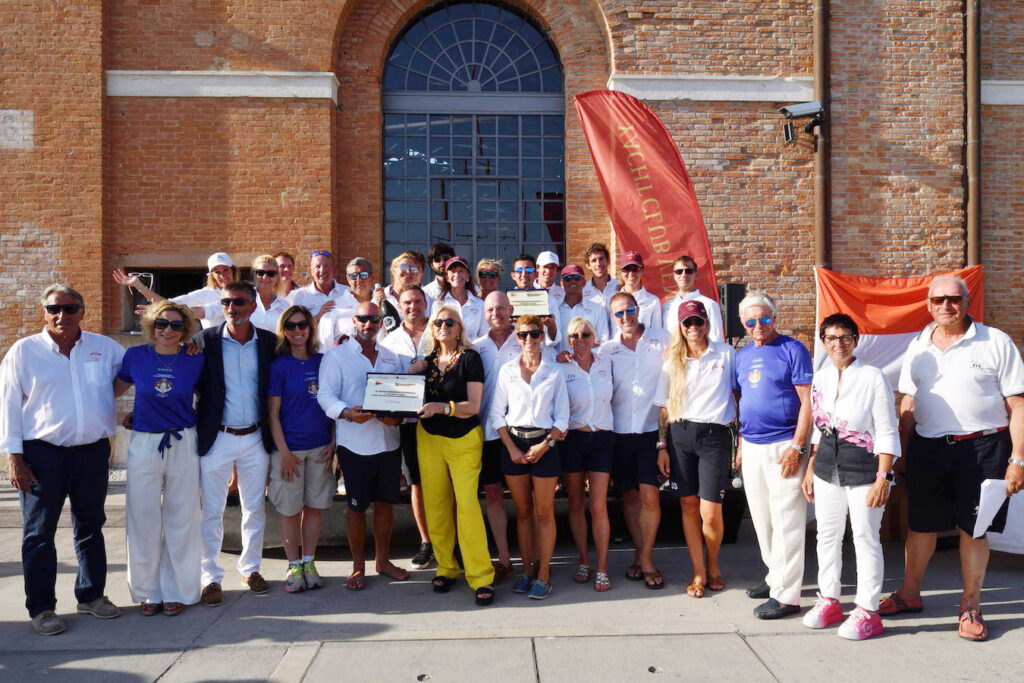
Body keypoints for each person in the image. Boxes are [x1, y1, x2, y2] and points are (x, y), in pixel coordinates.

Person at [885, 275, 1024, 641]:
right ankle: (909, 594)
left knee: (973, 529)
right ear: (928, 304)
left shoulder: (995, 341)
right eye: (938, 300)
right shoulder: (918, 345)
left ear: (967, 301)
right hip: (929, 447)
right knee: (921, 526)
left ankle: (970, 607)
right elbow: (909, 402)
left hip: (983, 448)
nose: (946, 306)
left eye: (954, 298)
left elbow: (1018, 404)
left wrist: (1018, 459)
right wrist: (901, 451)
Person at [2, 285, 125, 635]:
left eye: (70, 309)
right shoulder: (24, 352)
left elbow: (136, 372)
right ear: (44, 312)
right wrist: (15, 459)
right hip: (42, 456)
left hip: (92, 452)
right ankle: (41, 608)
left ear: (82, 312)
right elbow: (9, 406)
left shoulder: (104, 348)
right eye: (54, 309)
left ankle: (91, 596)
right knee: (39, 534)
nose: (62, 316)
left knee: (90, 526)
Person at [800, 313, 899, 640]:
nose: (838, 344)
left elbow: (887, 430)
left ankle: (868, 610)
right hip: (828, 465)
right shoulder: (821, 377)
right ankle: (829, 599)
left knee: (865, 537)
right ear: (824, 343)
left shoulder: (873, 376)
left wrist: (883, 476)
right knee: (826, 535)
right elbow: (819, 425)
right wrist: (812, 465)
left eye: (845, 337)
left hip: (864, 468)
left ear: (855, 340)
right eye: (831, 338)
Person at [114, 300, 204, 617]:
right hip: (145, 442)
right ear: (151, 326)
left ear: (186, 330)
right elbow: (110, 390)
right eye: (162, 324)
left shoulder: (195, 358)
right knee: (143, 518)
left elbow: (209, 399)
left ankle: (177, 589)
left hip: (183, 440)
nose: (168, 330)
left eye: (176, 325)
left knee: (183, 517)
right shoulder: (135, 356)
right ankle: (148, 591)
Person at [194, 281, 277, 606]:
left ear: (253, 306)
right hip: (217, 438)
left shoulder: (269, 343)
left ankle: (250, 568)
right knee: (211, 512)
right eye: (227, 301)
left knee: (254, 509)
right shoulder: (204, 341)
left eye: (239, 302)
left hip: (256, 437)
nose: (232, 307)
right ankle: (210, 577)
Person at [317, 301, 409, 590]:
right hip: (354, 444)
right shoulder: (336, 356)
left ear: (381, 322)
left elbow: (404, 394)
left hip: (388, 442)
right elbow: (325, 395)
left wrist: (398, 418)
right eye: (363, 319)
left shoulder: (393, 356)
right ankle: (358, 567)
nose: (368, 324)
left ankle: (382, 561)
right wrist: (346, 413)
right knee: (356, 508)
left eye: (374, 319)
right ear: (354, 322)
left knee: (385, 505)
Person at [409, 305, 496, 606]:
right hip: (429, 438)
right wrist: (404, 384)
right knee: (436, 505)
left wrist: (443, 407)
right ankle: (447, 566)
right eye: (438, 322)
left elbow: (473, 405)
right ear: (432, 329)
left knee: (467, 506)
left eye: (450, 322)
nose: (444, 326)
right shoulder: (426, 363)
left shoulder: (471, 358)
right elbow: (407, 398)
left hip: (463, 439)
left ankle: (481, 575)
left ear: (460, 328)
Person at [734, 291, 813, 620]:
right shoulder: (741, 356)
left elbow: (808, 401)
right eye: (751, 321)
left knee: (788, 522)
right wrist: (740, 443)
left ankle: (788, 596)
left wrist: (797, 446)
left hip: (785, 445)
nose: (758, 326)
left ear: (774, 318)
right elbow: (741, 401)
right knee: (762, 519)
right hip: (752, 445)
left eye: (764, 319)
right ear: (743, 323)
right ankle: (775, 577)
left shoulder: (793, 349)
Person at [653, 300, 735, 599]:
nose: (693, 328)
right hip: (680, 434)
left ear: (707, 323)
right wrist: (662, 446)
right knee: (688, 506)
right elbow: (663, 408)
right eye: (687, 323)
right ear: (680, 327)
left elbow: (740, 393)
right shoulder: (671, 360)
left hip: (715, 436)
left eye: (698, 321)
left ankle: (713, 565)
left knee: (710, 511)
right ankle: (698, 571)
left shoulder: (726, 353)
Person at [490, 314, 569, 600]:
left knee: (544, 513)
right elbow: (497, 413)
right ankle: (526, 570)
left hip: (544, 443)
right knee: (523, 512)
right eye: (523, 335)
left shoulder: (555, 371)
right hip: (514, 443)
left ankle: (544, 573)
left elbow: (562, 416)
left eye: (534, 334)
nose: (529, 340)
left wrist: (545, 444)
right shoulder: (507, 370)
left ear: (541, 336)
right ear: (517, 337)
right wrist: (511, 448)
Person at [603, 292, 672, 589]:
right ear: (612, 317)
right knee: (630, 496)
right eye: (619, 313)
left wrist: (663, 441)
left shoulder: (663, 340)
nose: (625, 317)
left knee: (650, 496)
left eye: (629, 310)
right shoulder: (606, 350)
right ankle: (639, 554)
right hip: (618, 433)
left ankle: (646, 559)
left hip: (649, 432)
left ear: (638, 309)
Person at [267, 306, 335, 593]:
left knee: (315, 507)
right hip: (290, 451)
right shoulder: (278, 365)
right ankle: (293, 566)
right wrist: (283, 452)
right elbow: (273, 415)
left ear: (311, 328)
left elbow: (332, 404)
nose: (298, 331)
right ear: (284, 330)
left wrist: (333, 443)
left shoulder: (324, 362)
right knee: (290, 510)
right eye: (291, 326)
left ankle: (309, 561)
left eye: (303, 325)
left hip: (320, 447)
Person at [380, 285, 435, 570]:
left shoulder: (440, 329)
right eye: (407, 302)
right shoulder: (389, 341)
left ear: (426, 302)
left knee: (444, 481)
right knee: (417, 483)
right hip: (409, 423)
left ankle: (449, 539)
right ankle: (426, 542)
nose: (413, 306)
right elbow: (386, 382)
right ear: (399, 307)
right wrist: (409, 374)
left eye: (417, 301)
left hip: (440, 419)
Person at [561, 316, 615, 592]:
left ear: (594, 337)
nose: (579, 340)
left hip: (603, 438)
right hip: (573, 439)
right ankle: (584, 560)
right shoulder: (562, 367)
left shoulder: (606, 363)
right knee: (575, 504)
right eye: (574, 335)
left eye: (585, 334)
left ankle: (602, 566)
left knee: (598, 506)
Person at [472, 291, 521, 582]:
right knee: (492, 494)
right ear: (484, 313)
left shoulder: (527, 340)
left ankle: (534, 556)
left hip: (520, 433)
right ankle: (503, 558)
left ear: (510, 309)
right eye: (491, 309)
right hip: (488, 433)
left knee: (523, 497)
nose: (496, 313)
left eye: (501, 308)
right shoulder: (476, 347)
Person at [112, 252, 239, 329]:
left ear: (233, 270)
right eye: (217, 272)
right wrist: (139, 285)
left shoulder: (247, 292)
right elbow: (167, 304)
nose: (223, 275)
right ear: (211, 275)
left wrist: (163, 310)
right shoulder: (206, 293)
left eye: (226, 270)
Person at [661, 255, 724, 342]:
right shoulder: (666, 306)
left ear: (696, 275)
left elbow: (716, 339)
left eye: (689, 271)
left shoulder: (709, 304)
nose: (684, 275)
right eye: (679, 271)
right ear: (674, 276)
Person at [318, 257, 375, 348]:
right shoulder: (333, 308)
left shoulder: (382, 304)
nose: (359, 279)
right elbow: (323, 347)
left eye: (364, 275)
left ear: (372, 277)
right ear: (348, 279)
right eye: (354, 276)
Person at [556, 264, 610, 352]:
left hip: (588, 364)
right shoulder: (554, 309)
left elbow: (603, 342)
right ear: (562, 283)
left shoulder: (598, 309)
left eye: (577, 278)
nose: (573, 281)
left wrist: (583, 356)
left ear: (584, 282)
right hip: (559, 363)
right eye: (568, 278)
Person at [509, 253, 559, 347]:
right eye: (519, 270)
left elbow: (554, 341)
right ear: (513, 275)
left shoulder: (549, 300)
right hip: (512, 353)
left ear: (536, 273)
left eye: (528, 270)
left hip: (541, 353)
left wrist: (551, 326)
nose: (523, 274)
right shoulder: (506, 301)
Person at [292, 250, 355, 323]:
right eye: (317, 266)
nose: (322, 270)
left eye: (326, 266)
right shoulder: (301, 295)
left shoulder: (347, 292)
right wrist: (319, 315)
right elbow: (297, 326)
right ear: (311, 271)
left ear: (334, 269)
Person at [432, 255, 487, 340]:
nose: (457, 275)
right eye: (453, 271)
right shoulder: (438, 305)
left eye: (461, 271)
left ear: (468, 275)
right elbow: (435, 334)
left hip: (474, 351)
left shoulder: (480, 304)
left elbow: (484, 335)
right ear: (446, 276)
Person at [376, 252, 431, 334]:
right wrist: (377, 307)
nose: (408, 271)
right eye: (404, 266)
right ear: (394, 270)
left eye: (414, 269)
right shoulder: (379, 298)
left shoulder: (428, 299)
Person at [616, 251, 662, 330]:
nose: (631, 273)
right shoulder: (612, 300)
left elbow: (657, 333)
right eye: (626, 269)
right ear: (621, 272)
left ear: (642, 271)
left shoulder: (653, 301)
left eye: (635, 269)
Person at [249, 254, 290, 333]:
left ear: (277, 276)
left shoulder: (285, 307)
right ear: (255, 275)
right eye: (260, 273)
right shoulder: (244, 299)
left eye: (271, 273)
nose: (265, 277)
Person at [581, 242, 619, 307]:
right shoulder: (583, 291)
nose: (598, 264)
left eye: (601, 259)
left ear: (608, 261)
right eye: (594, 260)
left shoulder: (619, 287)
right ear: (588, 265)